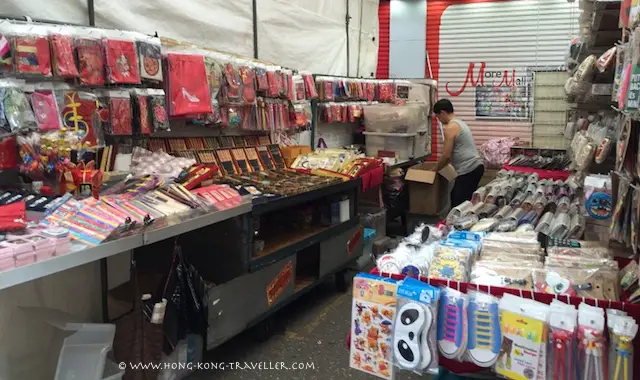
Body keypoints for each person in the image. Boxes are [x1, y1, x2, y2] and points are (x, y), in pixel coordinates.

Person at [432, 99, 484, 208]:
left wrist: (433, 171)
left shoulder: (450, 127)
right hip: (474, 167)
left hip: (469, 169)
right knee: (458, 198)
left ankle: (460, 224)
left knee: (459, 204)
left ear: (443, 113)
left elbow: (446, 155)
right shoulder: (460, 123)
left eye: (438, 117)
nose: (439, 121)